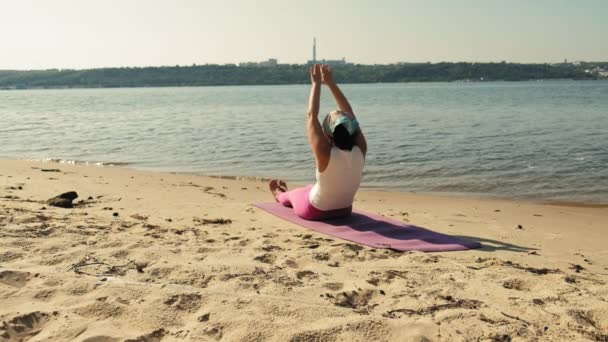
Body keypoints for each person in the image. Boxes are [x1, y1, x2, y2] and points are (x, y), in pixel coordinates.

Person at [269, 64, 367, 220]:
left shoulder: (324, 151)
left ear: (327, 135)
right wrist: (331, 83)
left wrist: (316, 84)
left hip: (315, 211)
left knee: (295, 194)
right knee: (310, 188)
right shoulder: (361, 149)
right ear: (352, 130)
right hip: (345, 210)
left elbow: (311, 116)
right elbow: (350, 115)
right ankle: (300, 192)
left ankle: (279, 194)